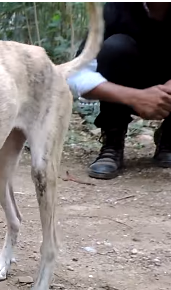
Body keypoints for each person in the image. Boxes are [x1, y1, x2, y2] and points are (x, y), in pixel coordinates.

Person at [67, 2, 171, 180]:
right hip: (127, 85)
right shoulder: (116, 8)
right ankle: (113, 141)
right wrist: (136, 97)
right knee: (115, 47)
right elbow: (76, 73)